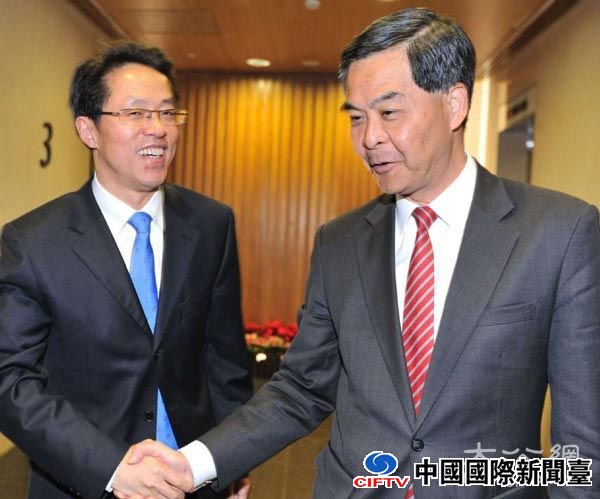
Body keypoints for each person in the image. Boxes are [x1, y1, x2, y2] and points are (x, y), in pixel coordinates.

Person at [130, 7, 600, 498]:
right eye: (357, 117)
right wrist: (194, 464)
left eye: (389, 112)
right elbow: (301, 389)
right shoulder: (340, 242)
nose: (368, 138)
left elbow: (584, 443)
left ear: (454, 104)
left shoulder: (557, 234)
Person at [0, 41, 253, 499]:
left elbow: (225, 362)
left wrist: (230, 460)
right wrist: (112, 468)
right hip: (85, 483)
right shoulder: (33, 242)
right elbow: (10, 380)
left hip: (193, 479)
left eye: (168, 113)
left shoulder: (211, 224)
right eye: (135, 113)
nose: (158, 129)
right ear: (88, 130)